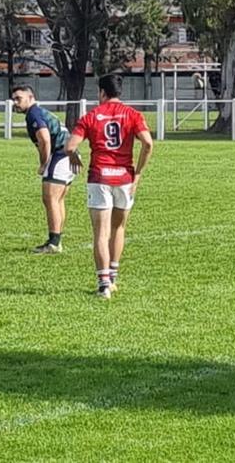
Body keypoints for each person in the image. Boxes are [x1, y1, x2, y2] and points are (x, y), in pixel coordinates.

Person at [63, 73, 154, 299]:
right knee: (118, 228)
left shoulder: (91, 116)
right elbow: (148, 143)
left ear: (102, 92)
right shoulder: (133, 114)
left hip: (100, 177)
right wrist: (138, 173)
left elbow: (70, 146)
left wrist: (74, 156)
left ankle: (104, 284)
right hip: (124, 178)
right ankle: (113, 276)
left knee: (100, 233)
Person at [11, 84, 73, 254]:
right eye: (14, 99)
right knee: (57, 199)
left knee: (50, 198)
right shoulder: (37, 112)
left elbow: (45, 139)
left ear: (31, 98)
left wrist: (44, 163)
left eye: (19, 98)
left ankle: (54, 243)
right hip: (69, 154)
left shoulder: (33, 113)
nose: (15, 102)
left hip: (60, 155)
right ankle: (56, 238)